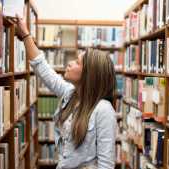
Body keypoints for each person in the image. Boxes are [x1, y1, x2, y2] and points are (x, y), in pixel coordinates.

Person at [15, 16, 117, 169]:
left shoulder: (103, 110)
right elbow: (41, 67)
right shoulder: (70, 94)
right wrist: (25, 35)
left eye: (77, 62)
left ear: (90, 75)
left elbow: (106, 165)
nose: (69, 63)